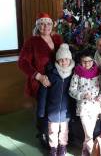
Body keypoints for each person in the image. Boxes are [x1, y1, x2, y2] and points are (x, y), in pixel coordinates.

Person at [18, 12, 63, 146]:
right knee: (43, 109)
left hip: (57, 78)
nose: (45, 26)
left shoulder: (57, 39)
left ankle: (58, 133)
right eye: (42, 24)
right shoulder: (32, 41)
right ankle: (44, 134)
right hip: (40, 80)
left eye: (48, 23)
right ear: (37, 26)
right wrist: (39, 76)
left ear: (52, 25)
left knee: (56, 107)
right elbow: (22, 62)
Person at [37, 43, 75, 156]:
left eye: (66, 59)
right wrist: (41, 111)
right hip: (52, 110)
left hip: (66, 111)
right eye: (61, 60)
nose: (64, 62)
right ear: (57, 61)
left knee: (64, 131)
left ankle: (62, 147)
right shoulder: (51, 75)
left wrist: (74, 111)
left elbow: (74, 95)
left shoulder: (73, 75)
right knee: (52, 131)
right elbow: (43, 94)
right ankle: (53, 148)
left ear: (70, 60)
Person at [69, 49, 101, 156]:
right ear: (80, 62)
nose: (87, 64)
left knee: (89, 134)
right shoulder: (76, 74)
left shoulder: (98, 73)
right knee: (89, 133)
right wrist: (82, 95)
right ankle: (93, 152)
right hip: (83, 108)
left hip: (95, 107)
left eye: (89, 61)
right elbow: (71, 90)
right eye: (84, 62)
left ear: (93, 61)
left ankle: (85, 152)